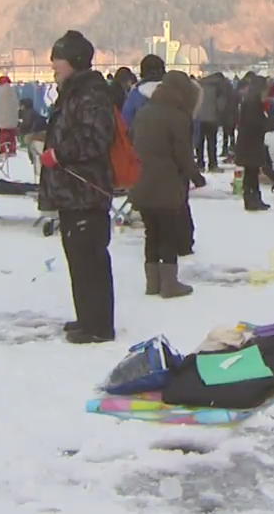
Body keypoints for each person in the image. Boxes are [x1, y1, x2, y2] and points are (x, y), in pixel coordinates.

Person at [39, 31, 117, 344]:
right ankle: (87, 317)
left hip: (86, 191)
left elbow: (95, 138)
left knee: (90, 259)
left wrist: (58, 153)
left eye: (57, 59)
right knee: (79, 258)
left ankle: (98, 326)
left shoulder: (90, 94)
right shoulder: (73, 92)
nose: (53, 66)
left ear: (73, 60)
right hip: (72, 192)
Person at [129, 70, 206, 298]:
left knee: (151, 233)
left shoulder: (144, 112)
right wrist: (196, 177)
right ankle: (170, 284)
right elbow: (182, 154)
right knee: (168, 233)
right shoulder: (178, 117)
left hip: (141, 181)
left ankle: (152, 283)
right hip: (166, 183)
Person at [235, 75, 272, 211]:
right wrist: (268, 123)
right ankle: (251, 199)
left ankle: (253, 198)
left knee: (252, 172)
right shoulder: (253, 103)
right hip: (251, 143)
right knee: (251, 172)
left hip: (248, 142)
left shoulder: (251, 100)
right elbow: (254, 123)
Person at [195, 70, 230, 172]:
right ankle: (212, 165)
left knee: (199, 143)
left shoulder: (199, 84)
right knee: (211, 143)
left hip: (199, 118)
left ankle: (200, 164)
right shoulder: (219, 87)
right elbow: (220, 105)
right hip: (212, 118)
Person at [121, 54, 165, 129]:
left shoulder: (135, 95)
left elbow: (126, 121)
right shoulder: (175, 91)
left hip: (140, 138)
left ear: (143, 72)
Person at [18, 97, 48, 178]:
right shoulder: (32, 112)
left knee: (33, 148)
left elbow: (26, 125)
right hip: (40, 133)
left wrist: (19, 128)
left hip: (35, 134)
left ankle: (36, 167)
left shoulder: (27, 113)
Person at [0, 75, 20, 157]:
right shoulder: (13, 90)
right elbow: (16, 104)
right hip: (12, 118)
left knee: (3, 136)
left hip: (3, 118)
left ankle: (3, 150)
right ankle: (12, 149)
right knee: (12, 135)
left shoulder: (0, 91)